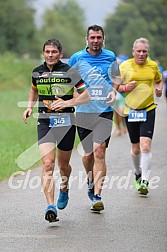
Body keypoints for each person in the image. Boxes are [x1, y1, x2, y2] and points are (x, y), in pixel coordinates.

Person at [23, 39, 90, 222]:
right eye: (47, 52)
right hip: (45, 121)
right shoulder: (37, 71)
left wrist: (68, 102)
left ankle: (65, 187)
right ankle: (50, 206)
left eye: (54, 52)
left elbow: (86, 95)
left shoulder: (70, 71)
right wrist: (29, 107)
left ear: (60, 54)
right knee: (47, 164)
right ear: (43, 53)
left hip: (66, 121)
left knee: (63, 166)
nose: (50, 55)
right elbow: (33, 90)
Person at [68, 25, 120, 211]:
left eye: (99, 37)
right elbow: (71, 80)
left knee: (100, 152)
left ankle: (97, 195)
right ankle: (90, 181)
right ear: (87, 39)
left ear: (103, 39)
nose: (95, 40)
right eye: (92, 37)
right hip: (84, 112)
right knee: (87, 155)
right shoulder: (77, 57)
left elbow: (116, 77)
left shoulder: (110, 56)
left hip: (104, 111)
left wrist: (114, 91)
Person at [118, 37, 163, 195]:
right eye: (139, 51)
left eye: (144, 51)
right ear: (133, 52)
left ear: (148, 53)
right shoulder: (124, 66)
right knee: (136, 149)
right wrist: (125, 87)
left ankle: (144, 180)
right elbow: (115, 86)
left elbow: (158, 81)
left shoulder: (152, 66)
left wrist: (159, 89)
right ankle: (137, 172)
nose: (142, 54)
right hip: (130, 110)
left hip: (148, 109)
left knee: (145, 146)